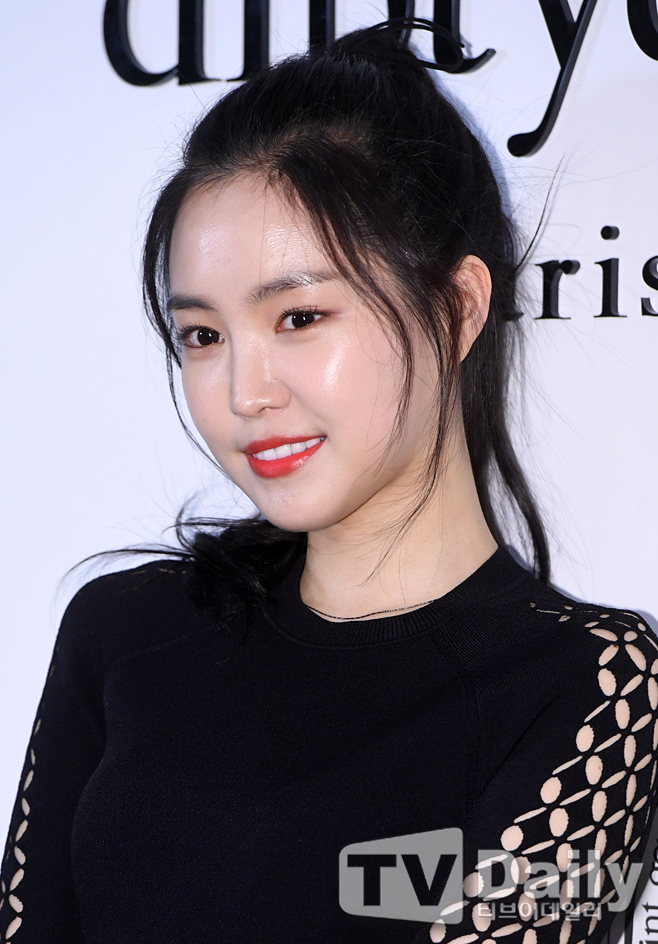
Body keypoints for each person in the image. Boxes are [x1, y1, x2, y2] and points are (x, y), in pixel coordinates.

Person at [1, 18, 657, 944]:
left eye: (300, 317)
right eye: (202, 335)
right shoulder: (121, 631)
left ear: (458, 308)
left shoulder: (591, 685)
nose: (245, 393)